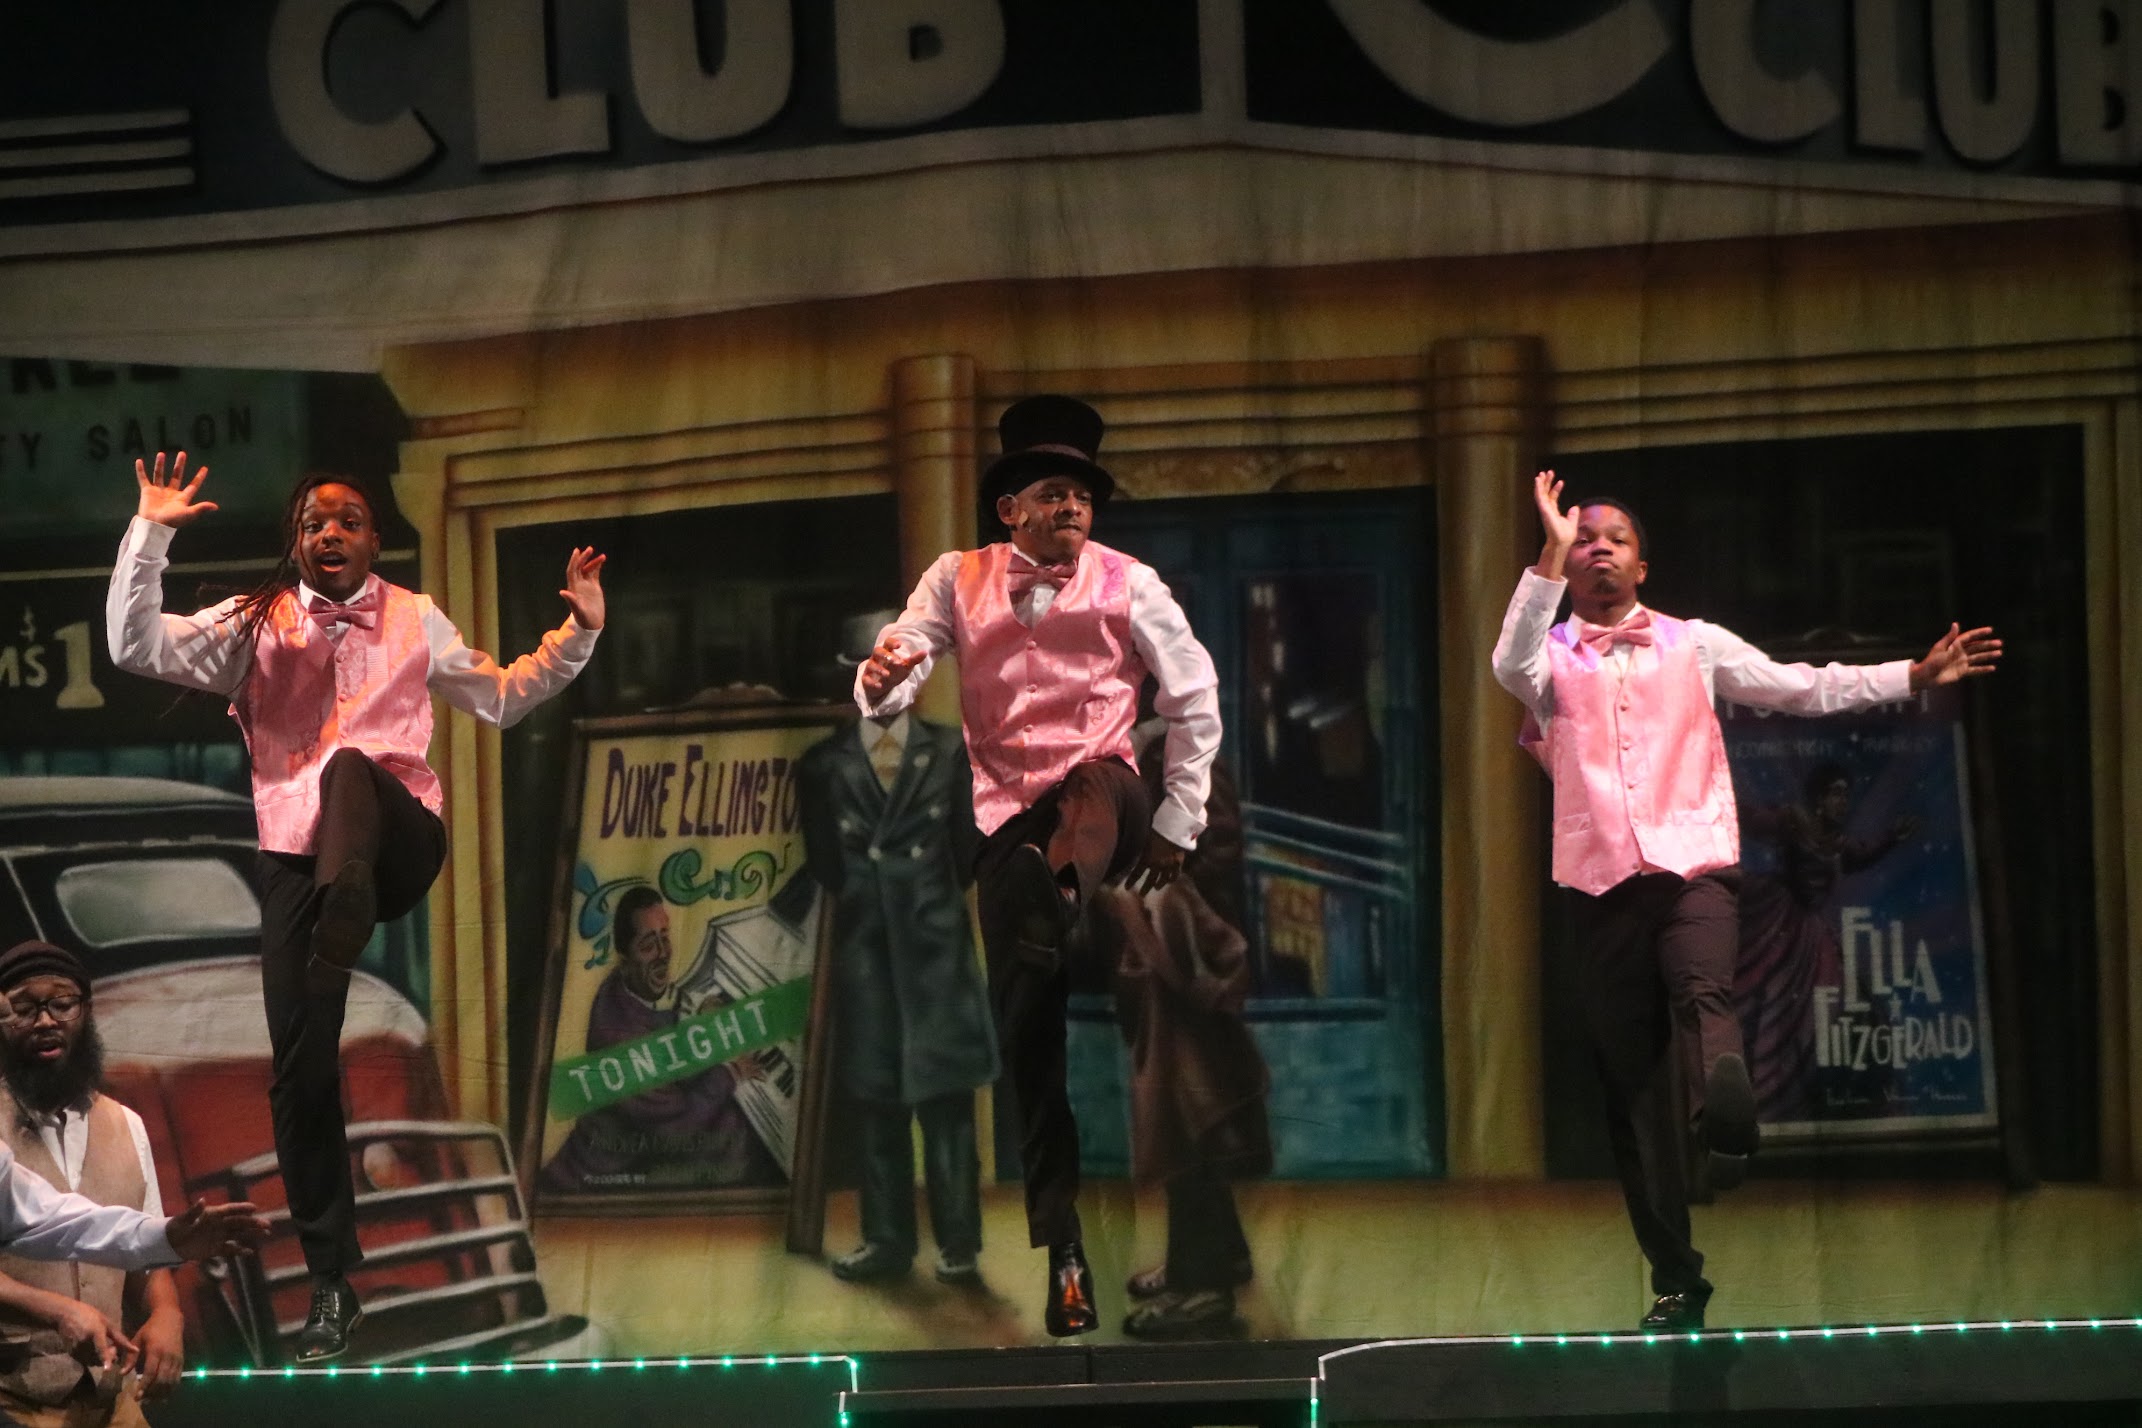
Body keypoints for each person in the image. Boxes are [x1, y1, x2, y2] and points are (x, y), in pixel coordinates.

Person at [105, 452, 604, 1362]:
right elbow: (136, 646)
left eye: (347, 521)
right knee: (299, 1074)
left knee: (348, 766)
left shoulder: (416, 616)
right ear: (296, 544)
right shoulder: (256, 622)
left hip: (397, 842)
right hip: (296, 864)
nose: (329, 533)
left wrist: (577, 633)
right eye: (312, 524)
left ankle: (344, 912)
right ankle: (333, 1282)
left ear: (373, 541)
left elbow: (501, 698)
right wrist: (150, 535)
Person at [1491, 470, 1999, 1331]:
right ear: (1565, 565)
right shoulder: (1551, 661)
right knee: (1630, 1091)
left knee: (1704, 990)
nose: (1599, 547)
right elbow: (1508, 662)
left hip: (1694, 866)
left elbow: (1801, 686)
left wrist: (1912, 675)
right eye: (1584, 539)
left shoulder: (1695, 644)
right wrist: (1546, 547)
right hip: (1602, 884)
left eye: (1615, 538)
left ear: (1643, 565)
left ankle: (1722, 1115)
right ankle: (1677, 1278)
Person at [855, 395, 1222, 1337]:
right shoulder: (957, 576)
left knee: (1089, 794)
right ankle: (1064, 1254)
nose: (1073, 508)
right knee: (1030, 1044)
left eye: (1084, 497)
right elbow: (903, 655)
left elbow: (1193, 694)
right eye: (1055, 493)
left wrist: (1179, 820)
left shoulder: (1130, 582)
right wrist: (883, 678)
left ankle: (1053, 891)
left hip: (1108, 802)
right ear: (1009, 509)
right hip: (1007, 825)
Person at [796, 615, 997, 1286]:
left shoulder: (954, 756)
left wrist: (921, 905)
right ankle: (887, 1242)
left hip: (936, 957)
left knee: (947, 1109)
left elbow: (967, 855)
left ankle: (959, 1246)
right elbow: (827, 864)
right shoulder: (821, 767)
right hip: (868, 957)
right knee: (877, 1106)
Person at [1091, 722, 1268, 1340]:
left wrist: (1147, 880)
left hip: (1182, 966)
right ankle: (1218, 1256)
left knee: (1190, 1125)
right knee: (1182, 1125)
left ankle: (1204, 1288)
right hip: (1154, 962)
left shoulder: (1186, 746)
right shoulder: (1133, 744)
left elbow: (1217, 850)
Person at [0, 941, 184, 1427]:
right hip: (14, 1397)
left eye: (61, 1004)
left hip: (111, 1397)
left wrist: (167, 1313)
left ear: (86, 1010)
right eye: (25, 1008)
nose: (45, 1021)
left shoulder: (126, 1123)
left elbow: (141, 1247)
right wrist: (57, 1309)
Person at [538, 888, 780, 1193]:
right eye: (648, 945)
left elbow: (658, 1023)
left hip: (641, 1149)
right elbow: (678, 1124)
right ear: (625, 960)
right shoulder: (618, 1035)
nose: (663, 953)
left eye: (664, 937)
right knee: (742, 1143)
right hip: (603, 1176)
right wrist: (731, 1072)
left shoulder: (624, 985)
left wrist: (697, 1014)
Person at [1734, 764, 1918, 1122]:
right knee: (1776, 1002)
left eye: (1846, 794)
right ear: (1819, 799)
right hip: (1784, 923)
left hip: (1812, 933)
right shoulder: (1795, 821)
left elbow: (1861, 855)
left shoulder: (1839, 842)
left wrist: (1891, 838)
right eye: (1836, 793)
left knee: (1849, 1000)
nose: (1843, 801)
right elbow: (1754, 821)